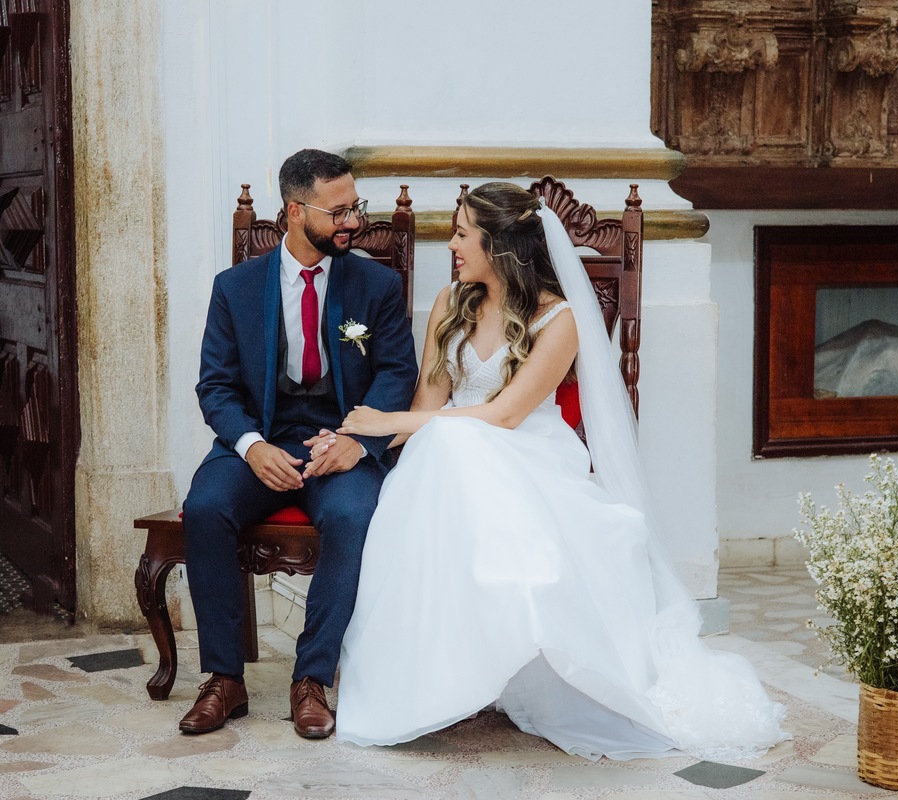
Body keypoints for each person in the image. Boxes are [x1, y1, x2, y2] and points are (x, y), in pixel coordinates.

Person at [325, 182, 789, 760]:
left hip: (523, 452)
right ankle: (434, 680)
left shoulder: (559, 319)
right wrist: (354, 438)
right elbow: (429, 405)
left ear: (500, 245)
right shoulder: (450, 303)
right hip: (449, 455)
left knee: (451, 449)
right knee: (443, 451)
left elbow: (505, 415)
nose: (451, 245)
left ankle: (502, 655)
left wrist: (388, 421)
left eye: (463, 234)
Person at [178, 149, 419, 738]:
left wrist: (358, 441)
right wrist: (251, 445)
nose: (352, 222)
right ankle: (224, 680)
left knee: (354, 514)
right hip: (263, 438)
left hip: (342, 441)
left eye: (355, 208)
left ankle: (311, 678)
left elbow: (397, 373)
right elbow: (215, 386)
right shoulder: (235, 288)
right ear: (294, 211)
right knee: (206, 508)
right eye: (338, 212)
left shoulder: (377, 284)